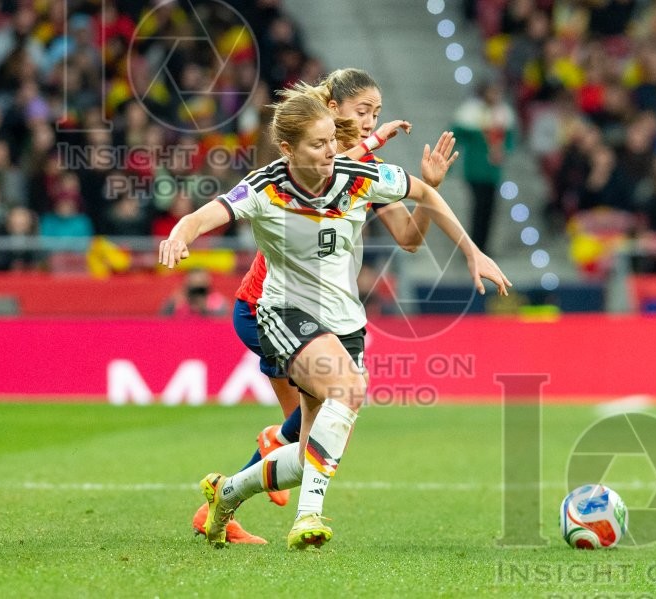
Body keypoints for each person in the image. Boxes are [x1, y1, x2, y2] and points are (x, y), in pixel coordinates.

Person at [159, 92, 510, 550]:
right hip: (285, 314)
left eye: (331, 142)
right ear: (288, 148)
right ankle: (308, 515)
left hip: (346, 324)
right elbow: (205, 215)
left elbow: (421, 193)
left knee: (308, 458)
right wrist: (178, 236)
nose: (331, 154)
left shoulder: (356, 176)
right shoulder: (265, 187)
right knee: (349, 389)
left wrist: (472, 250)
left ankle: (225, 494)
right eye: (318, 145)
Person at [451, 79, 518, 252]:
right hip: (474, 168)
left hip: (493, 171)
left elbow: (510, 141)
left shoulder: (503, 114)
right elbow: (454, 137)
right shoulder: (470, 113)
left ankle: (484, 246)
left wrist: (503, 149)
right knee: (478, 207)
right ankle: (473, 245)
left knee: (490, 209)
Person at [160, 269, 229, 319]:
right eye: (194, 289)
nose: (197, 293)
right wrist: (174, 305)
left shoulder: (218, 301)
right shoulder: (177, 300)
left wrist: (205, 309)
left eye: (200, 289)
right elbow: (162, 320)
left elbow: (223, 323)